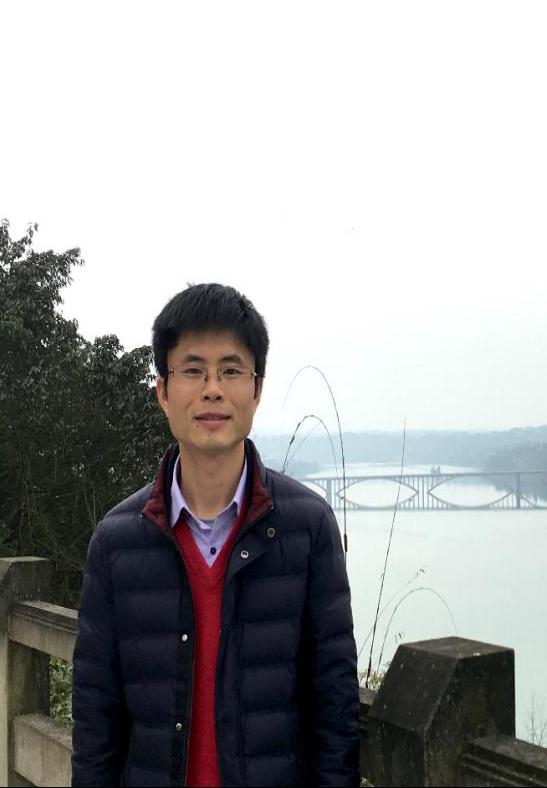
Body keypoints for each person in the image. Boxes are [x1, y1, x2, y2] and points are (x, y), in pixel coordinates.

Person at [71, 283, 360, 787]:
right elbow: (97, 721)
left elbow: (334, 711)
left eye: (231, 370)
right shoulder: (117, 543)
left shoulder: (308, 528)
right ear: (163, 392)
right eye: (192, 370)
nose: (212, 389)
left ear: (257, 389)